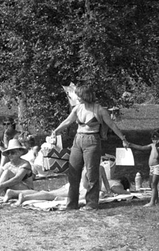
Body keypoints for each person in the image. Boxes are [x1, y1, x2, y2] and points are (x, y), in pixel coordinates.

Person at [51, 83, 135, 211]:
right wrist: (56, 130)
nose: (77, 97)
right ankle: (71, 204)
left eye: (79, 95)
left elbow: (112, 125)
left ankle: (91, 204)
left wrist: (123, 139)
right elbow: (68, 121)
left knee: (92, 173)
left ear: (86, 95)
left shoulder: (99, 110)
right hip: (77, 140)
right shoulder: (77, 108)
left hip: (92, 141)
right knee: (73, 173)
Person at [143, 129, 159, 207]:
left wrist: (156, 147)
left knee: (154, 184)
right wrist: (130, 144)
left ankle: (152, 202)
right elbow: (142, 147)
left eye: (157, 139)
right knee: (151, 184)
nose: (155, 141)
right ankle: (156, 199)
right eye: (153, 139)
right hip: (151, 167)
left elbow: (158, 157)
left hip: (158, 167)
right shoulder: (152, 145)